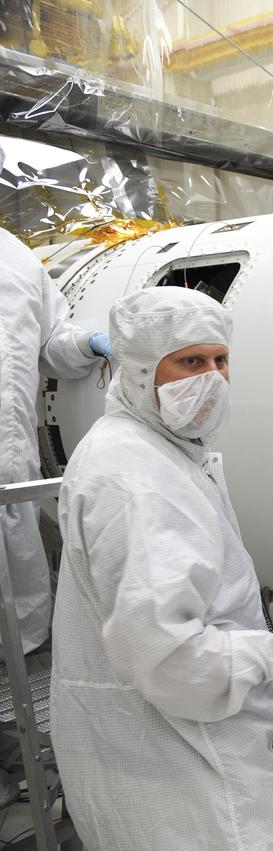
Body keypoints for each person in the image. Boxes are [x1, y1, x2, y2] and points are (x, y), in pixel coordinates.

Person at [50, 286, 273, 850]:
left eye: (221, 360)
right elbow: (173, 663)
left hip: (169, 760)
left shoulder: (157, 449)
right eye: (191, 362)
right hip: (186, 777)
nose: (213, 378)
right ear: (139, 372)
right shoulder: (135, 481)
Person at [0, 228, 109, 656]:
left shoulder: (15, 258)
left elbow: (49, 344)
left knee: (18, 559)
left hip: (12, 460)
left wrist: (87, 344)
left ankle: (20, 654)